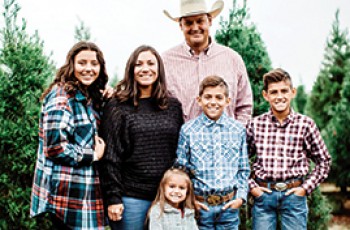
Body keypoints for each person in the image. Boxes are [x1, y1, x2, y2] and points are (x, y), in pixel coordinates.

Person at [99, 45, 184, 230]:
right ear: (131, 70)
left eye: (151, 63)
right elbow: (110, 156)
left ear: (159, 69)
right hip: (131, 198)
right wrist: (113, 197)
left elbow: (180, 150)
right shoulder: (117, 107)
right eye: (139, 64)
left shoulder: (173, 107)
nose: (146, 69)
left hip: (167, 197)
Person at [30, 41, 113, 229]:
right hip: (66, 197)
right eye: (82, 63)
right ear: (72, 65)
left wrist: (110, 98)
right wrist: (93, 155)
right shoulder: (62, 96)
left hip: (83, 194)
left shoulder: (88, 97)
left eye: (94, 64)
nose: (88, 69)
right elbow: (55, 148)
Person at [246, 68, 332, 230]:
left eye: (284, 91)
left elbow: (324, 161)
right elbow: (240, 160)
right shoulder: (255, 125)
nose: (279, 96)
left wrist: (304, 188)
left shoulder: (305, 124)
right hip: (264, 195)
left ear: (293, 92)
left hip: (293, 196)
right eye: (274, 92)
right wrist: (253, 187)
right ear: (266, 95)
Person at [175, 75, 250, 229]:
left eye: (219, 97)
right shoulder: (188, 130)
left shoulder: (238, 130)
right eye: (208, 97)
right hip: (201, 206)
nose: (213, 102)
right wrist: (190, 201)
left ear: (227, 101)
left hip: (229, 206)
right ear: (199, 100)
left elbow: (243, 168)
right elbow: (181, 169)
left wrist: (240, 198)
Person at [162, 0, 253, 124]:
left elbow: (244, 107)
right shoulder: (166, 61)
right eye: (188, 23)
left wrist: (235, 136)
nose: (195, 28)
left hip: (226, 141)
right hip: (181, 141)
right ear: (180, 25)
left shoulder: (232, 59)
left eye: (200, 21)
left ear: (209, 21)